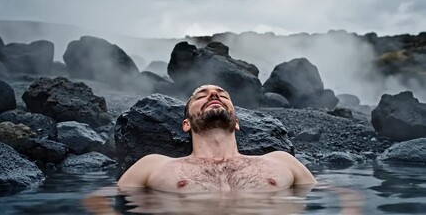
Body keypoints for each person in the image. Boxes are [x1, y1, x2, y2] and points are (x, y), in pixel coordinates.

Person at [117, 84, 317, 192]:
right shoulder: (153, 166)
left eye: (223, 95)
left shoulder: (281, 161)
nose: (214, 94)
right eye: (201, 96)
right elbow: (101, 201)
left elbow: (336, 195)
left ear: (237, 122)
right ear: (186, 124)